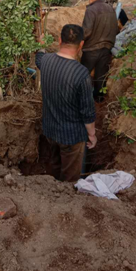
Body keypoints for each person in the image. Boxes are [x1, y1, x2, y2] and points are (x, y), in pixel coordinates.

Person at [36, 24, 97, 182]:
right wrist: (92, 134)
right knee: (70, 175)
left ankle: (52, 188)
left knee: (54, 164)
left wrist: (41, 45)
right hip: (72, 136)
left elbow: (38, 57)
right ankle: (66, 199)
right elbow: (87, 112)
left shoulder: (46, 61)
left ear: (59, 40)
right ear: (81, 44)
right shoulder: (81, 74)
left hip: (50, 130)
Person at [81, 0, 118, 102]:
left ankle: (82, 98)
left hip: (91, 49)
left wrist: (79, 41)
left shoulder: (91, 10)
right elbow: (115, 29)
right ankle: (99, 98)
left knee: (83, 74)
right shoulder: (110, 9)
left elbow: (86, 31)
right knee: (101, 75)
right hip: (106, 48)